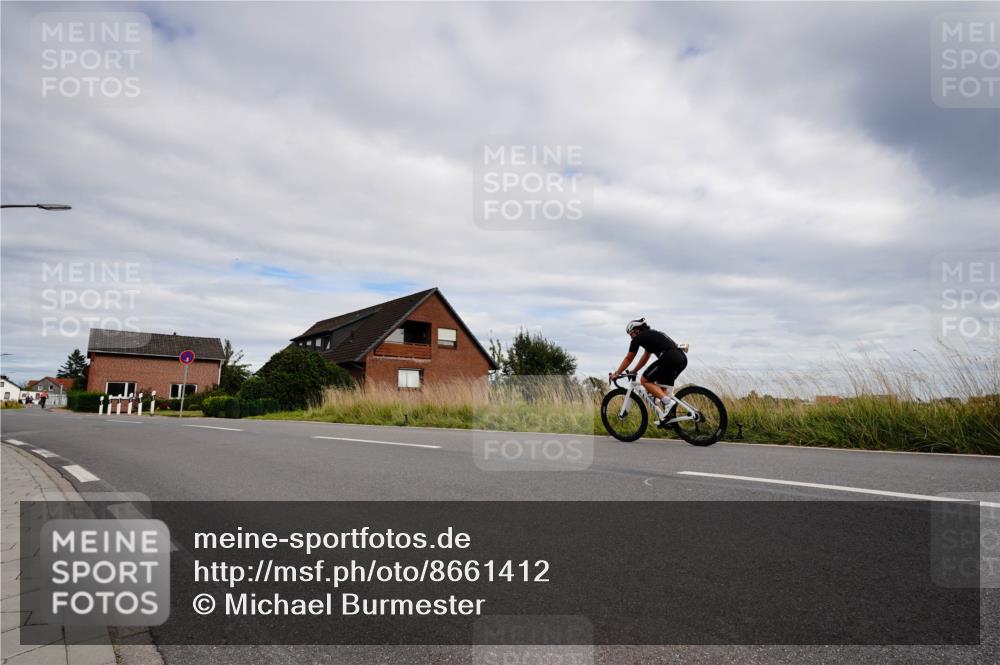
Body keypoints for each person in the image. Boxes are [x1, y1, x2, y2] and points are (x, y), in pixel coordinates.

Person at [611, 318, 687, 424]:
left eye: (631, 334)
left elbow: (628, 358)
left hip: (668, 358)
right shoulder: (651, 335)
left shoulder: (638, 339)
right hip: (681, 358)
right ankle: (669, 419)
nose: (631, 337)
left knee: (645, 380)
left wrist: (617, 373)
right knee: (662, 390)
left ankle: (669, 404)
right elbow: (645, 357)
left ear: (636, 330)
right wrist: (634, 370)